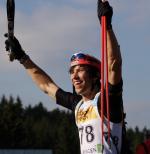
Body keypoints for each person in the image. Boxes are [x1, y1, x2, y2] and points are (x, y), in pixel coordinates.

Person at [4, 0, 125, 153]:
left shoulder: (106, 101)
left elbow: (114, 64)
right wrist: (22, 57)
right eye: (72, 71)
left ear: (95, 76)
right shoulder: (78, 105)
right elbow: (47, 86)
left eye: (80, 70)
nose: (74, 76)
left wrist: (106, 26)